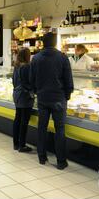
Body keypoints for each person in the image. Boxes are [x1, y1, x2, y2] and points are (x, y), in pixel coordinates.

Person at [30, 32, 74, 170]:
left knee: (41, 128)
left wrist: (36, 91)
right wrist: (67, 95)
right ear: (55, 43)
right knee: (60, 129)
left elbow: (32, 79)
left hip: (42, 98)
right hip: (58, 98)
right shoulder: (62, 57)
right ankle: (61, 161)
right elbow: (68, 80)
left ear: (43, 42)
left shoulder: (36, 58)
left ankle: (42, 157)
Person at [12, 48, 34, 153]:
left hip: (17, 94)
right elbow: (27, 82)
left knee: (17, 119)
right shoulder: (27, 66)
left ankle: (16, 144)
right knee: (24, 121)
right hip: (24, 97)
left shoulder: (16, 65)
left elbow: (14, 81)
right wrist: (33, 92)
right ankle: (22, 145)